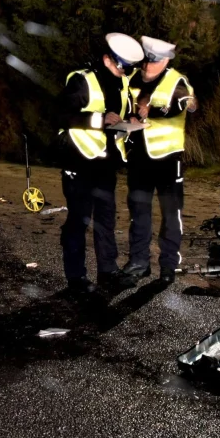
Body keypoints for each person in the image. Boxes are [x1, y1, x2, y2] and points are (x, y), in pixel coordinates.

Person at [53, 33, 144, 295]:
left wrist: (132, 121)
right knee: (78, 221)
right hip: (78, 162)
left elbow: (119, 115)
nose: (125, 72)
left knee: (105, 220)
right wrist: (98, 119)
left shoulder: (121, 83)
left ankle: (108, 271)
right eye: (122, 66)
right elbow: (59, 115)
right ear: (107, 59)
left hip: (105, 163)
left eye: (129, 68)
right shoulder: (83, 81)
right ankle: (76, 278)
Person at [121, 36, 197, 286]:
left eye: (152, 62)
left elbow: (183, 104)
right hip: (138, 158)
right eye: (145, 62)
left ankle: (168, 266)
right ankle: (139, 263)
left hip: (167, 159)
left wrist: (151, 110)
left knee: (171, 215)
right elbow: (124, 106)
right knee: (139, 214)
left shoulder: (177, 80)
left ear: (165, 60)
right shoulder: (132, 78)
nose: (147, 67)